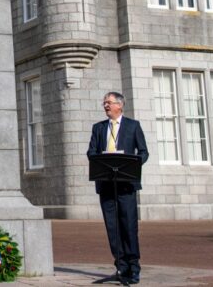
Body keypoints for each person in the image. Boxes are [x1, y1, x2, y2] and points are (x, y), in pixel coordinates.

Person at [87, 92, 149, 285]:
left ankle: (133, 267)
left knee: (128, 226)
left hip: (126, 186)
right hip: (106, 185)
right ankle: (120, 267)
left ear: (120, 106)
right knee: (113, 228)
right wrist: (102, 161)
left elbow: (144, 152)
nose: (106, 105)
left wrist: (132, 165)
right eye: (104, 102)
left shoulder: (133, 126)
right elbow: (91, 152)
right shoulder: (98, 128)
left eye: (109, 102)